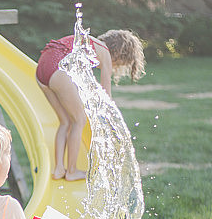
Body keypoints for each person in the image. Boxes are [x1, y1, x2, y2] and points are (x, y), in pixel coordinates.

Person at [36, 29, 146, 181]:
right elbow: (106, 94)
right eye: (118, 65)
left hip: (42, 68)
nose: (114, 68)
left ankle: (59, 169)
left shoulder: (89, 43)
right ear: (120, 54)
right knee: (79, 120)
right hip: (57, 68)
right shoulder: (105, 52)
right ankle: (72, 171)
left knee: (65, 121)